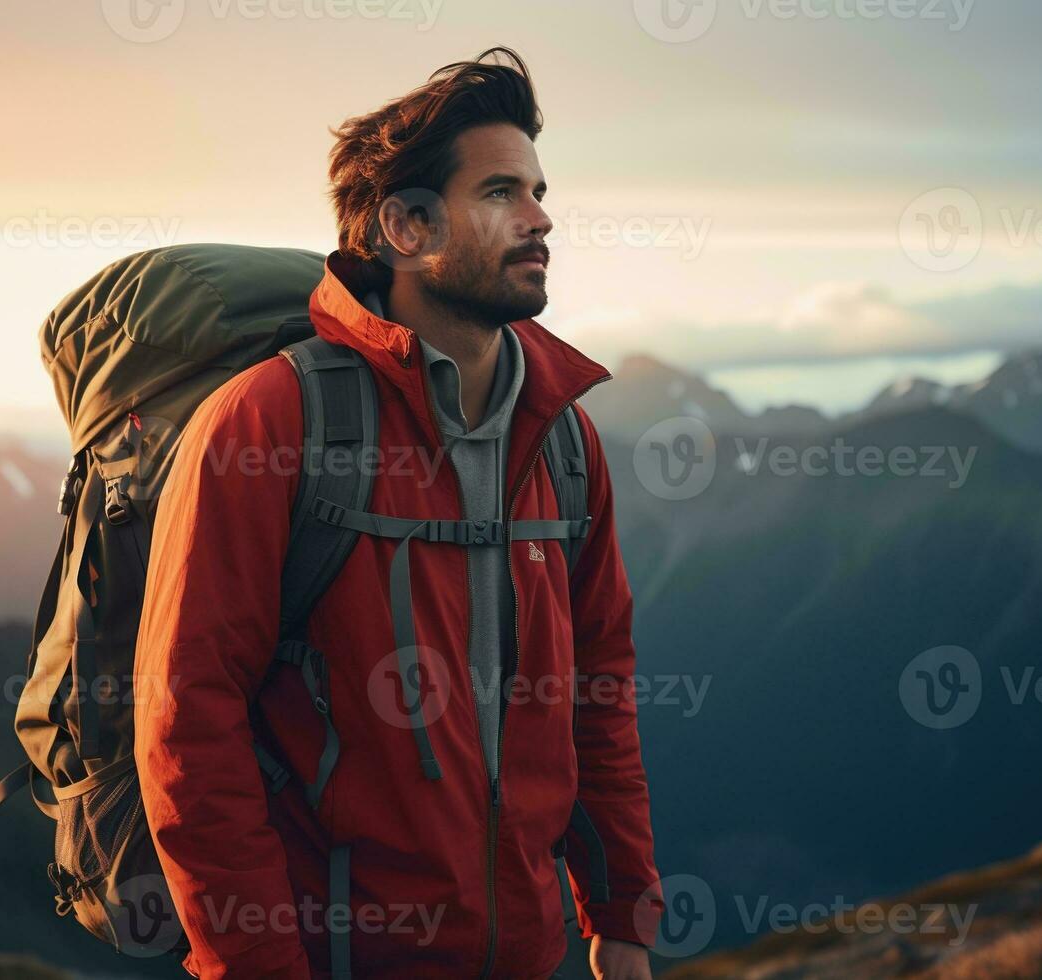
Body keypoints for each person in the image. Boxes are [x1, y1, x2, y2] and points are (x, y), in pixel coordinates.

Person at [134, 46, 661, 980]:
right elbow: (187, 722)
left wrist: (622, 916)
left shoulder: (565, 442)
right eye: (502, 192)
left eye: (539, 190)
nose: (542, 219)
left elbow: (600, 687)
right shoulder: (270, 424)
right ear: (408, 226)